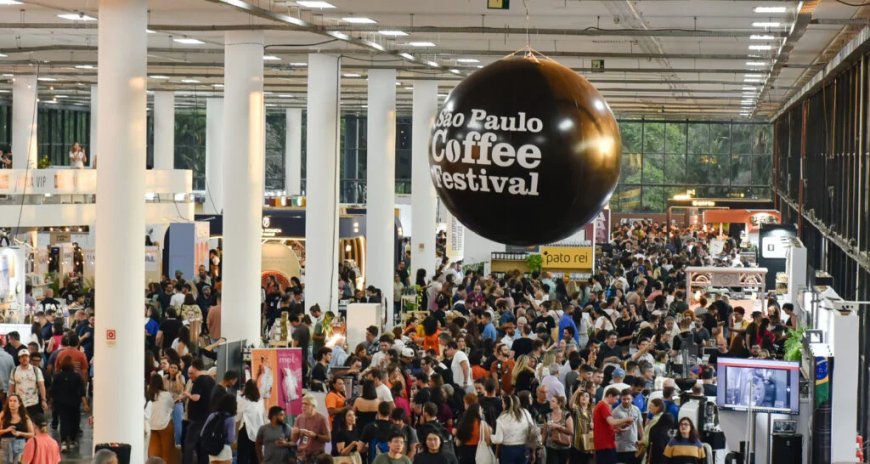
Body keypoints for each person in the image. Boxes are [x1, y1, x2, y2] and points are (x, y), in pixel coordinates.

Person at [50, 356, 88, 452]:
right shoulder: (77, 376)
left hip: (61, 403)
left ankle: (63, 442)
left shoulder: (57, 376)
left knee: (64, 421)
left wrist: (51, 402)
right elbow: (81, 391)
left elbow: (53, 391)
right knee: (75, 421)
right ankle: (71, 441)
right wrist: (85, 404)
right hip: (74, 403)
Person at [182, 359, 215, 464]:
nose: (190, 376)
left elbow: (196, 397)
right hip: (208, 417)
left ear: (195, 369)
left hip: (197, 419)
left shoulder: (199, 380)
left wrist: (187, 394)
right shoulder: (210, 380)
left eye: (191, 373)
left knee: (189, 444)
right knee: (202, 445)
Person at [592, 387, 634, 464]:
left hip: (604, 443)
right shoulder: (603, 405)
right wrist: (626, 419)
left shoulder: (601, 405)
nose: (616, 401)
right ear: (610, 395)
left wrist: (618, 429)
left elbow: (605, 425)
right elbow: (612, 422)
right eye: (616, 399)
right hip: (605, 444)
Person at [490, 395, 533, 464]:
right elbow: (531, 428)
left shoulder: (502, 418)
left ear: (507, 404)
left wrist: (490, 436)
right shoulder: (525, 413)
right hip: (524, 449)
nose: (502, 405)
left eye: (503, 403)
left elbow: (499, 439)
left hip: (508, 451)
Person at [292, 393, 330, 463]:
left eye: (306, 404)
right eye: (302, 404)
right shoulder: (299, 418)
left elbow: (328, 438)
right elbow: (294, 440)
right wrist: (294, 433)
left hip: (316, 457)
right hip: (302, 456)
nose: (303, 406)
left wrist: (315, 436)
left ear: (313, 406)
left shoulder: (322, 419)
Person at [147, 373, 176, 464]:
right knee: (167, 453)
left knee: (154, 452)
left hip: (152, 425)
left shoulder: (149, 394)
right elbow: (172, 406)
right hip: (165, 425)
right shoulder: (166, 394)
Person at [9, 350, 46, 418]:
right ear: (19, 359)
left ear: (29, 358)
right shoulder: (14, 371)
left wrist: (43, 400)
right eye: (22, 357)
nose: (24, 358)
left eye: (26, 356)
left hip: (33, 403)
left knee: (33, 424)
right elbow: (11, 387)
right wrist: (9, 400)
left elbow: (41, 386)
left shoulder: (36, 370)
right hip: (19, 404)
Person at [236, 379, 265, 464]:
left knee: (243, 456)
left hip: (246, 431)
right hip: (259, 431)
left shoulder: (243, 400)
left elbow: (237, 417)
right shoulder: (260, 401)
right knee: (256, 457)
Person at [612, 389, 644, 464]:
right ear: (621, 398)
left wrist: (642, 439)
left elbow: (640, 426)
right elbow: (612, 428)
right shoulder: (615, 412)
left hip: (634, 445)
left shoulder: (636, 409)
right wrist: (620, 427)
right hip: (621, 447)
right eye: (624, 399)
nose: (626, 401)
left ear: (632, 399)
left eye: (628, 399)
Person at [203, 395, 237, 464]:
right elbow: (231, 439)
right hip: (225, 451)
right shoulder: (231, 419)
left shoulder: (212, 415)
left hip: (212, 451)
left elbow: (203, 432)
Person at [0, 394, 34, 463]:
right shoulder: (3, 415)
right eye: (10, 401)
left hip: (20, 445)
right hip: (5, 445)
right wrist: (6, 430)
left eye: (15, 401)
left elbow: (32, 434)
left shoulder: (24, 417)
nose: (12, 403)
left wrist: (20, 433)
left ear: (19, 404)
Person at [643, 398, 675, 464]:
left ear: (658, 407)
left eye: (651, 405)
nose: (649, 407)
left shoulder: (656, 420)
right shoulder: (661, 419)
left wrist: (642, 442)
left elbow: (649, 437)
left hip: (653, 453)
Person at [543, 395, 573, 464]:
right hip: (551, 448)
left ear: (559, 404)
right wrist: (541, 444)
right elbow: (544, 433)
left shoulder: (566, 415)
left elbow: (571, 431)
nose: (550, 402)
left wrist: (558, 426)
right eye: (550, 401)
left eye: (553, 401)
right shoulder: (547, 416)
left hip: (564, 447)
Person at [569, 388, 594, 464]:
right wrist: (576, 392)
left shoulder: (591, 411)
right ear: (579, 398)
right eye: (582, 396)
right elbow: (570, 404)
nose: (584, 397)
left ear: (589, 400)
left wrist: (593, 424)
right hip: (576, 441)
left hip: (587, 442)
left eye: (586, 396)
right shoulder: (577, 408)